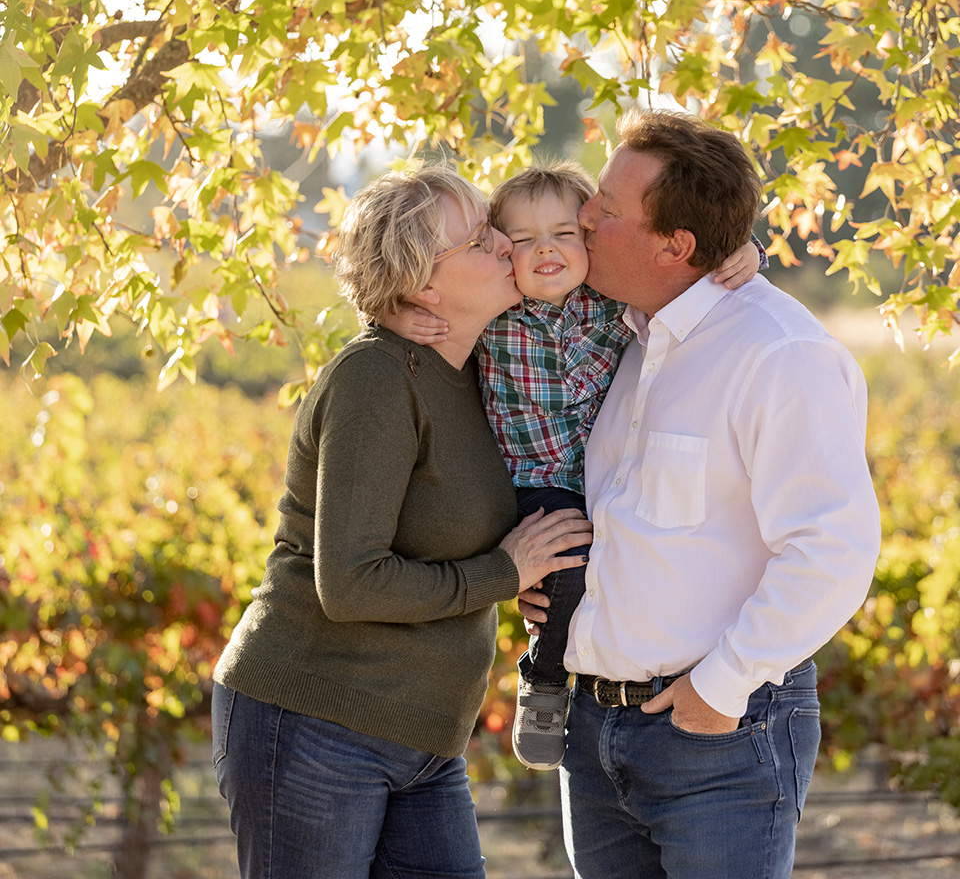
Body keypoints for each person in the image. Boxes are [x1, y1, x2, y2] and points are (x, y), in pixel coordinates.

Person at [519, 110, 881, 879]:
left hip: (718, 734)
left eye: (607, 210)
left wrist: (719, 690)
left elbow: (833, 549)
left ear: (675, 246)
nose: (584, 216)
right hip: (594, 731)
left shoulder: (779, 355)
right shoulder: (615, 336)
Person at [211, 165, 593, 879]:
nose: (509, 247)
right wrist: (504, 573)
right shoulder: (377, 378)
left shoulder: (491, 368)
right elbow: (351, 585)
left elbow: (576, 236)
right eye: (482, 240)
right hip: (314, 721)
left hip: (423, 739)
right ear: (424, 288)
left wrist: (734, 255)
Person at [397, 162, 764, 772]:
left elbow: (683, 261)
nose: (545, 249)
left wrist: (747, 251)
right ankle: (543, 683)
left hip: (600, 479)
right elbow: (427, 296)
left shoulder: (611, 304)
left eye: (565, 234)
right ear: (499, 253)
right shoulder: (496, 314)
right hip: (531, 484)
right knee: (566, 571)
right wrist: (400, 315)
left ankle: (605, 665)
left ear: (590, 240)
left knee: (611, 564)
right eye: (523, 240)